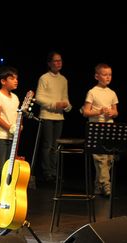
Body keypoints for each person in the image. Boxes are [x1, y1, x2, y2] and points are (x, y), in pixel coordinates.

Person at [35, 51, 72, 182]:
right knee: (48, 145)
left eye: (60, 60)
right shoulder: (44, 78)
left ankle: (55, 172)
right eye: (55, 61)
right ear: (49, 63)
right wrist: (54, 104)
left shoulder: (63, 80)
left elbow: (65, 98)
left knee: (56, 146)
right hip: (47, 116)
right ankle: (47, 172)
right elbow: (38, 98)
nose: (58, 63)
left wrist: (67, 106)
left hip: (59, 118)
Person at [82, 63, 118, 196]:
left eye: (110, 75)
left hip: (109, 128)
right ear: (97, 76)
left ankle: (98, 186)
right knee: (100, 158)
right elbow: (86, 112)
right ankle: (106, 185)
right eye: (105, 74)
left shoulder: (112, 93)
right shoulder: (92, 92)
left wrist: (111, 113)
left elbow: (116, 111)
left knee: (109, 159)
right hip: (96, 129)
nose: (108, 77)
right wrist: (99, 112)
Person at [0, 66, 20, 169]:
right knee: (0, 168)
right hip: (0, 137)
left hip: (12, 138)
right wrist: (11, 128)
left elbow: (17, 116)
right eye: (12, 78)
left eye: (16, 78)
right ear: (3, 81)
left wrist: (19, 126)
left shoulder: (15, 98)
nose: (15, 81)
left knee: (9, 168)